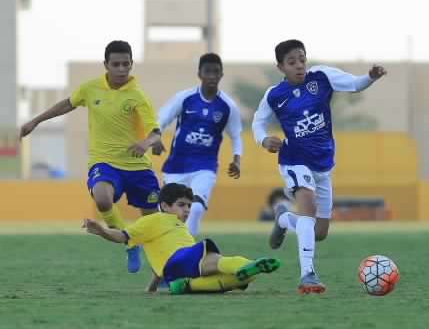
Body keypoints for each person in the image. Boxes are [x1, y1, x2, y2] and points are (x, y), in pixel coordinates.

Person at [252, 39, 386, 294]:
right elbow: (258, 124)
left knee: (319, 232)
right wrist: (264, 140)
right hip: (293, 160)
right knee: (308, 208)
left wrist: (370, 77)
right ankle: (307, 275)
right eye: (292, 62)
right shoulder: (274, 95)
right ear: (281, 67)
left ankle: (282, 218)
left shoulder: (322, 77)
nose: (299, 65)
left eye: (302, 59)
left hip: (323, 165)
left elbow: (355, 84)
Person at [19, 40, 163, 273]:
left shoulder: (138, 96)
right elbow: (67, 104)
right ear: (105, 64)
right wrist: (35, 121)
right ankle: (129, 243)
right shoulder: (91, 88)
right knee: (102, 199)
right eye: (115, 64)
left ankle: (163, 270)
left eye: (126, 64)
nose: (121, 69)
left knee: (153, 223)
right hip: (104, 161)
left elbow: (155, 132)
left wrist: (145, 143)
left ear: (131, 64)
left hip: (137, 167)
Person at [82, 183, 281, 294]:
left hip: (175, 271)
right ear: (165, 206)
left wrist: (151, 288)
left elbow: (159, 259)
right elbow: (124, 236)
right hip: (181, 259)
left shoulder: (177, 228)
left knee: (238, 280)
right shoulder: (154, 219)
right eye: (181, 205)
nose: (186, 210)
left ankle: (187, 285)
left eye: (188, 206)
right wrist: (102, 231)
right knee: (216, 260)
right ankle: (248, 264)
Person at [153, 53, 242, 236]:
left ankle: (186, 252)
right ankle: (167, 252)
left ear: (221, 75)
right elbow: (161, 119)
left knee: (195, 209)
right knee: (170, 214)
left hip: (205, 167)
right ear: (199, 74)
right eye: (207, 72)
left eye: (215, 72)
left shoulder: (227, 106)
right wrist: (156, 137)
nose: (211, 76)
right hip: (176, 166)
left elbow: (235, 136)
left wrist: (237, 159)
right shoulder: (185, 98)